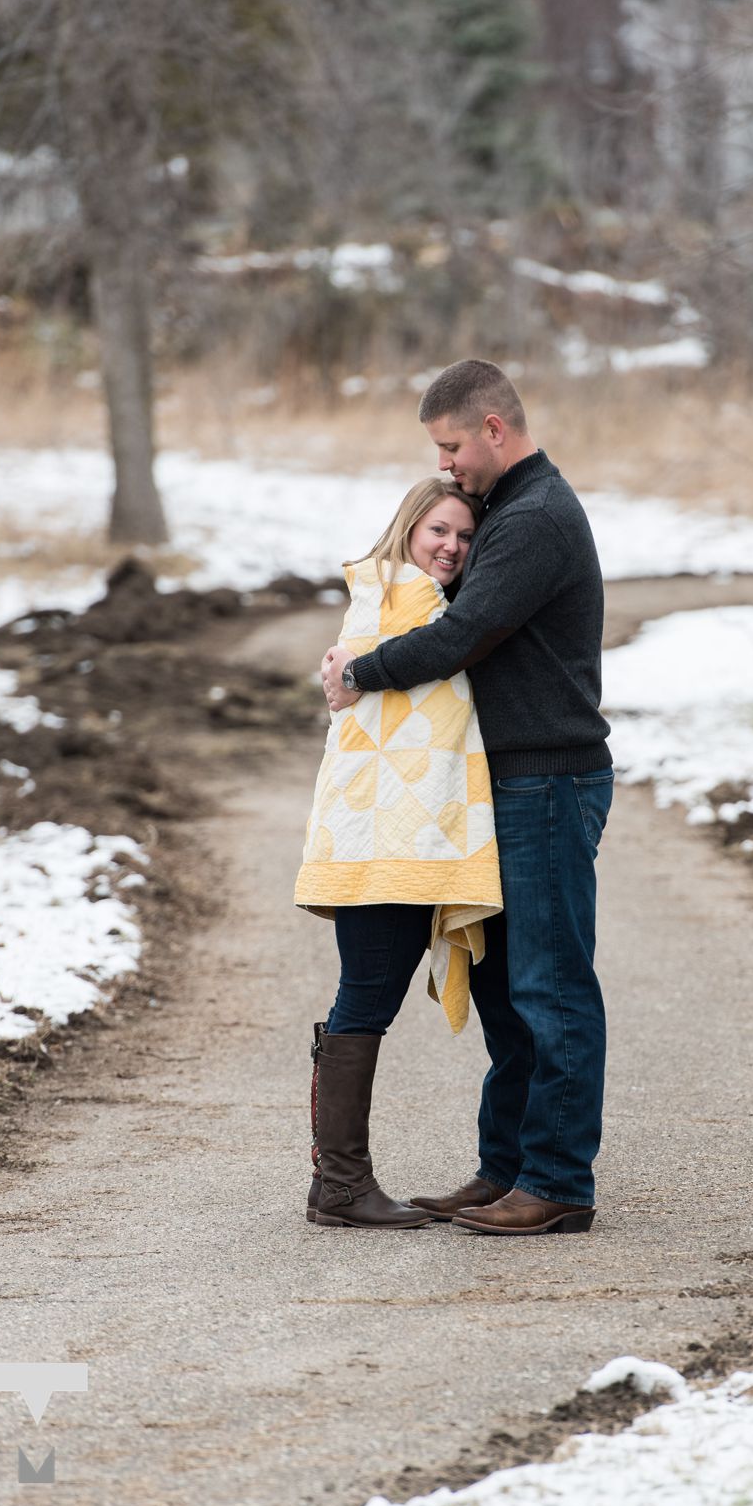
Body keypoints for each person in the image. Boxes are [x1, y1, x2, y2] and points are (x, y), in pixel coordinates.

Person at [322, 359, 613, 1237]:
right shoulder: (508, 515)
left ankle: (558, 1182)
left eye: (451, 445)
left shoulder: (535, 520)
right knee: (504, 992)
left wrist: (360, 675)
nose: (446, 464)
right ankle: (506, 1169)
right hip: (506, 780)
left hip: (547, 777)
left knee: (551, 987)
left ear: (493, 428)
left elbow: (460, 635)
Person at [295, 476, 502, 1228]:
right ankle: (342, 1188)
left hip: (384, 835)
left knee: (363, 999)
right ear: (408, 527)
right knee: (366, 1000)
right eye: (438, 531)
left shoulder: (392, 596)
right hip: (390, 839)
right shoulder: (406, 601)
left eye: (465, 538)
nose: (450, 547)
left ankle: (336, 1185)